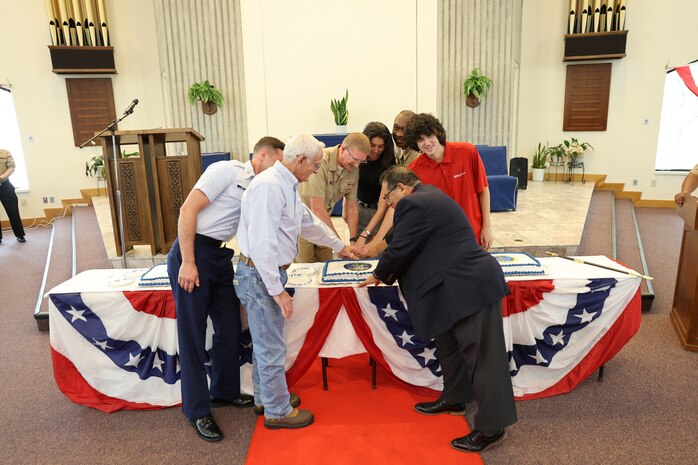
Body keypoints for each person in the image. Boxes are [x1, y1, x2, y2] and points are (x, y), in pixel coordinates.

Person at [359, 166, 517, 453]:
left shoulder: (413, 202)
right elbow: (399, 237)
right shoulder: (427, 197)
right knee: (449, 346)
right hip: (450, 289)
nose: (387, 203)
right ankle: (455, 397)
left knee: (484, 359)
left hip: (469, 287)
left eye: (387, 196)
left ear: (401, 188)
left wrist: (379, 274)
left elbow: (400, 247)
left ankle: (492, 428)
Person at [166, 136, 285, 442]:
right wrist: (188, 262)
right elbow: (187, 211)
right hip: (194, 252)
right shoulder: (227, 171)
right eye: (277, 162)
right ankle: (196, 410)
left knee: (230, 328)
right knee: (191, 335)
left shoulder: (262, 189)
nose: (279, 170)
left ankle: (223, 390)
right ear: (262, 155)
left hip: (220, 256)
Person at [235, 133, 357, 430]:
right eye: (314, 165)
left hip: (267, 272)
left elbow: (309, 224)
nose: (316, 171)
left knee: (266, 342)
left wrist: (342, 247)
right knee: (271, 346)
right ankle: (277, 411)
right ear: (300, 160)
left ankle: (266, 397)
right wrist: (277, 291)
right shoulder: (269, 187)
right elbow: (262, 244)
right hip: (260, 274)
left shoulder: (285, 186)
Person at [406, 113, 493, 250]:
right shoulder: (414, 170)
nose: (427, 143)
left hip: (474, 234)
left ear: (437, 133)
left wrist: (487, 227)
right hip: (441, 241)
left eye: (429, 135)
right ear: (415, 143)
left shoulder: (467, 152)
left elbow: (483, 189)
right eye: (420, 140)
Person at [296, 132, 369, 262]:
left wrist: (352, 241)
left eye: (361, 161)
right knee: (305, 270)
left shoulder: (353, 167)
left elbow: (352, 207)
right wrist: (339, 246)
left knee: (327, 267)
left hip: (325, 225)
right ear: (343, 149)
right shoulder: (320, 161)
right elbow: (317, 209)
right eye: (354, 159)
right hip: (302, 226)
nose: (357, 165)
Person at [355, 111, 417, 254]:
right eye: (396, 128)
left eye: (380, 146)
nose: (376, 150)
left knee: (378, 255)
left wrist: (373, 237)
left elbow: (387, 205)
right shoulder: (398, 153)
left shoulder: (408, 159)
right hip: (361, 212)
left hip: (388, 215)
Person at [352, 122, 395, 234]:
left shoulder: (389, 165)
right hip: (358, 210)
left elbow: (382, 207)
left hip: (379, 213)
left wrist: (366, 233)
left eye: (381, 146)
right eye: (372, 145)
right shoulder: (357, 158)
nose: (376, 151)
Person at [0, 149, 26, 243]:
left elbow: (11, 167)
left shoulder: (5, 153)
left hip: (4, 185)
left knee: (13, 211)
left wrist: (1, 178)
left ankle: (20, 235)